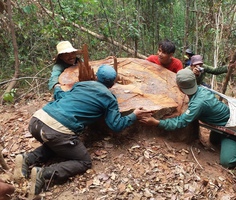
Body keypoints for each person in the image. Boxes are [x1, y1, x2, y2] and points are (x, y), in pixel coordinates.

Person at [13, 65, 151, 196]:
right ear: (113, 84)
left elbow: (63, 97)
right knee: (84, 162)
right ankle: (44, 174)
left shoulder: (80, 84)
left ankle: (27, 158)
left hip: (37, 120)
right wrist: (134, 115)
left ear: (96, 77)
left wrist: (58, 89)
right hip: (57, 131)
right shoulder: (109, 98)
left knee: (56, 142)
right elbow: (116, 125)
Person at [140, 68, 236, 168]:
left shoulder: (198, 104)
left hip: (232, 127)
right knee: (213, 142)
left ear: (179, 87)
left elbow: (180, 122)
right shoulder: (201, 90)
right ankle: (225, 140)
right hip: (221, 124)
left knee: (227, 162)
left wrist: (156, 122)